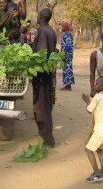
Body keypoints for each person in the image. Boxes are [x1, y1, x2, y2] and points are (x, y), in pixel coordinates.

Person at [32, 8, 57, 147]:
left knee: (40, 109)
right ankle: (48, 138)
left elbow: (41, 56)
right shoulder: (52, 31)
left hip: (41, 76)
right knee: (46, 106)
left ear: (40, 16)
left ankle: (47, 141)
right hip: (48, 75)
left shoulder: (42, 32)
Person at [81, 76, 103, 183]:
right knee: (98, 148)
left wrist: (87, 101)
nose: (95, 85)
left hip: (100, 131)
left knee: (88, 150)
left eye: (97, 84)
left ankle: (97, 174)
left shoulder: (97, 97)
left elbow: (89, 111)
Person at [90, 31, 103, 97]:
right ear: (102, 39)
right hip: (101, 86)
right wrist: (92, 89)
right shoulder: (95, 54)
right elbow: (92, 73)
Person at [60, 22, 75, 90]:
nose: (61, 28)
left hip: (67, 56)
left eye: (62, 27)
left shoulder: (68, 35)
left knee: (67, 70)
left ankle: (68, 86)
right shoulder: (66, 34)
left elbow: (68, 46)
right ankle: (67, 85)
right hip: (66, 55)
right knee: (66, 70)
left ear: (65, 28)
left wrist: (64, 56)